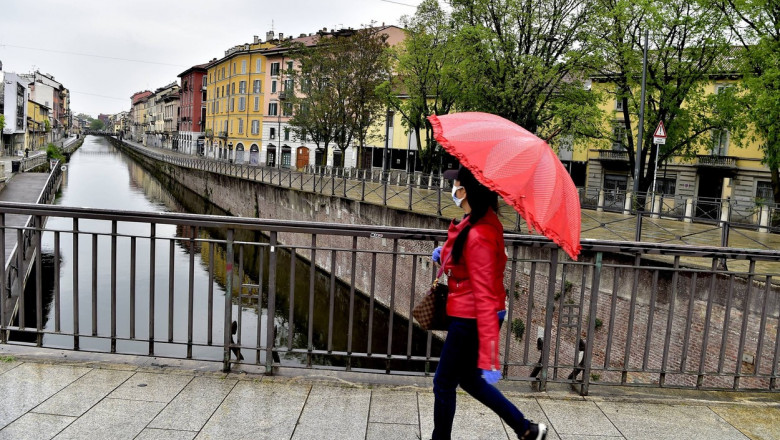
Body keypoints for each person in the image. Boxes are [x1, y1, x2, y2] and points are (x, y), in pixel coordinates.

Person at [430, 166, 547, 440]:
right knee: (470, 380)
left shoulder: (479, 233)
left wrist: (490, 350)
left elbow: (483, 287)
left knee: (443, 383)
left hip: (472, 316)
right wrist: (446, 256)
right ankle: (526, 429)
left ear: (466, 190)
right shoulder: (480, 221)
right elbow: (470, 264)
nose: (453, 188)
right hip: (473, 311)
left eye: (456, 183)